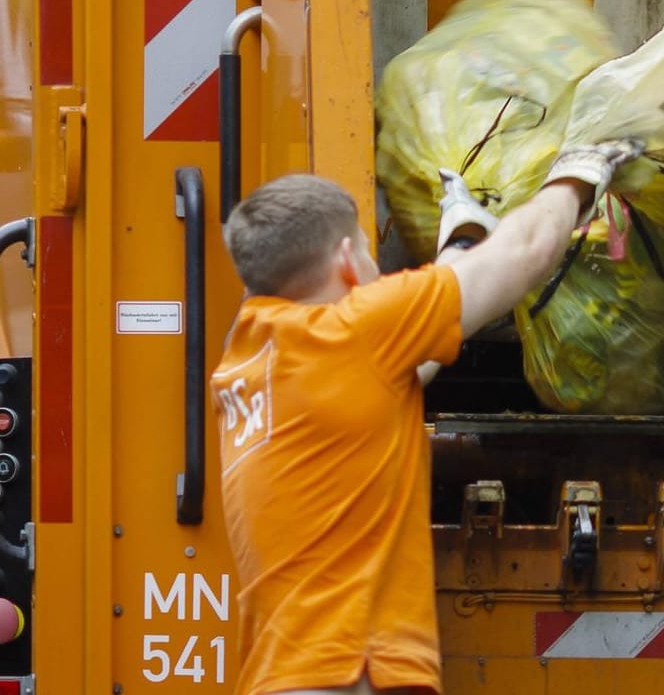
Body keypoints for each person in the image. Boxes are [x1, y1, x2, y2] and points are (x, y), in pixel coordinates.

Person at [209, 142, 639, 695]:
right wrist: (579, 174)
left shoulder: (253, 355)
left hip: (286, 676)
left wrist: (461, 238)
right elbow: (526, 249)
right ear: (346, 259)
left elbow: (413, 358)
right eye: (367, 250)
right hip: (348, 672)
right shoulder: (353, 334)